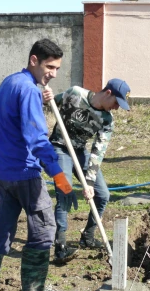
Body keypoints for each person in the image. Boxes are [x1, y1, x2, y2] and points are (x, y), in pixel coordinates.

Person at [0, 38, 77, 291]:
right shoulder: (29, 91)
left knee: (0, 234)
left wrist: (4, 137)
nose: (53, 73)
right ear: (34, 60)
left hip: (3, 174)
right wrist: (62, 181)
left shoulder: (10, 82)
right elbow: (38, 141)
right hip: (26, 175)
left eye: (57, 68)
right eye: (50, 67)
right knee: (44, 231)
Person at [49, 78, 131, 261]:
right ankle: (60, 246)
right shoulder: (75, 93)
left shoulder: (107, 120)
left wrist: (90, 182)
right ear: (108, 92)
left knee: (103, 194)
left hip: (80, 152)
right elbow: (53, 101)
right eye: (117, 103)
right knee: (64, 190)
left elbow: (98, 151)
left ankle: (88, 236)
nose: (116, 108)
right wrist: (47, 99)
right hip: (59, 148)